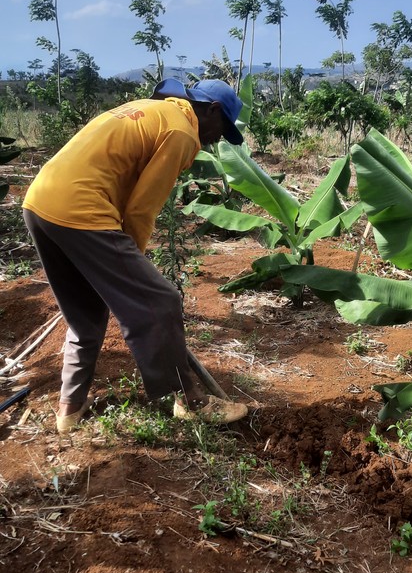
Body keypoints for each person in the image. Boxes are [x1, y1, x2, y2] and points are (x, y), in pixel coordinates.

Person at [22, 78, 249, 433]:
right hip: (82, 210)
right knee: (160, 301)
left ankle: (69, 410)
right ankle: (190, 402)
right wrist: (135, 265)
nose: (219, 139)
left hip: (40, 202)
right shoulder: (181, 132)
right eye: (223, 129)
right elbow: (142, 209)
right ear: (212, 110)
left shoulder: (150, 111)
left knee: (85, 317)